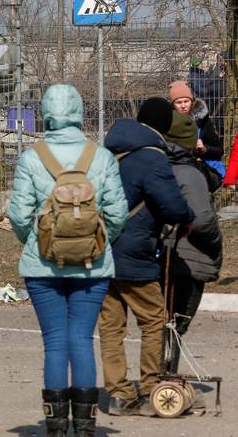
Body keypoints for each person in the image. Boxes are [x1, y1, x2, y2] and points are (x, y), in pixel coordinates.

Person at [7, 84, 128, 437]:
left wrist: (34, 242)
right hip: (93, 265)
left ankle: (57, 427)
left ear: (45, 113)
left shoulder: (33, 157)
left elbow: (18, 214)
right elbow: (118, 213)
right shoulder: (101, 157)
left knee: (55, 341)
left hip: (42, 265)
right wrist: (99, 243)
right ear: (78, 112)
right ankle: (87, 427)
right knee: (82, 339)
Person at [98, 98, 195, 416]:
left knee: (112, 325)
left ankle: (117, 393)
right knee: (154, 318)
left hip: (100, 250)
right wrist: (188, 215)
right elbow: (172, 205)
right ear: (164, 125)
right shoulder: (151, 157)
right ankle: (152, 386)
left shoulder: (109, 150)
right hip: (133, 251)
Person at [161, 111, 224, 376]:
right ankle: (165, 377)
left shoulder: (154, 165)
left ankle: (161, 374)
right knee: (177, 321)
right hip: (186, 258)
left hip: (155, 254)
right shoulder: (191, 173)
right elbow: (203, 220)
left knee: (162, 321)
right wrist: (216, 243)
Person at [168, 80, 223, 163]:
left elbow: (219, 151)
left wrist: (204, 149)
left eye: (186, 101)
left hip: (198, 168)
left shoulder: (203, 121)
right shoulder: (166, 122)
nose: (183, 106)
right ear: (173, 104)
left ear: (192, 101)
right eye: (178, 102)